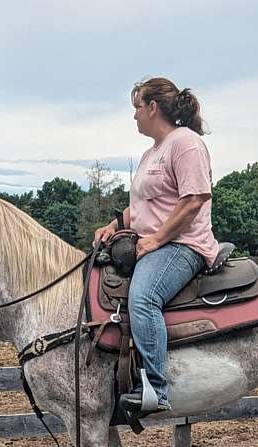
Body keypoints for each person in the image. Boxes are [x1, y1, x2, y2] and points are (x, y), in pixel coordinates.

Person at [94, 77, 219, 414]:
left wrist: (156, 240)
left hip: (183, 245)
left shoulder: (185, 144)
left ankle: (155, 387)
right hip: (156, 242)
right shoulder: (152, 152)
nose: (134, 116)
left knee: (143, 296)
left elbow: (193, 200)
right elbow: (142, 207)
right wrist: (114, 225)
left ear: (152, 108)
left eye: (137, 108)